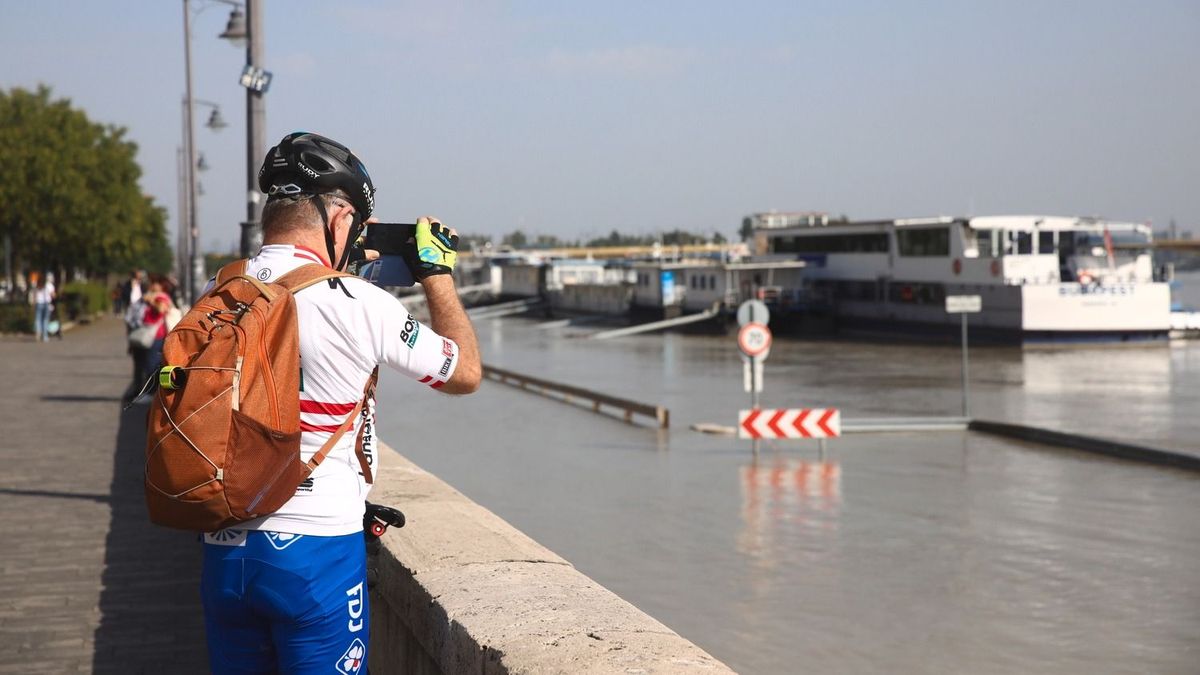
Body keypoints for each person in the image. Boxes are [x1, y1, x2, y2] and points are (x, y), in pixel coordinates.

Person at [198, 131, 481, 673]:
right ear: (339, 218)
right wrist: (437, 275)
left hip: (224, 548)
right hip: (316, 556)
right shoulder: (361, 304)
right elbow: (463, 373)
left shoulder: (219, 291)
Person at [31, 273, 56, 342]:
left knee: (38, 319)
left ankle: (38, 332)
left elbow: (34, 296)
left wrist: (33, 304)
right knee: (45, 320)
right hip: (47, 304)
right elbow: (53, 295)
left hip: (39, 303)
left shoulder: (37, 285)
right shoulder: (49, 285)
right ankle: (45, 336)